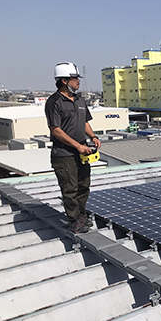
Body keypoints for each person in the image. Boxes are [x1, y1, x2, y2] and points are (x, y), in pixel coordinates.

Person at [45, 62, 102, 233]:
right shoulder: (54, 102)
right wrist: (77, 146)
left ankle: (81, 215)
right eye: (74, 78)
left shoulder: (80, 99)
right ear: (64, 81)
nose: (78, 81)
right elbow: (55, 130)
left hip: (82, 153)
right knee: (70, 188)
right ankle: (73, 220)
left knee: (83, 186)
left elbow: (84, 122)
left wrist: (93, 137)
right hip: (64, 154)